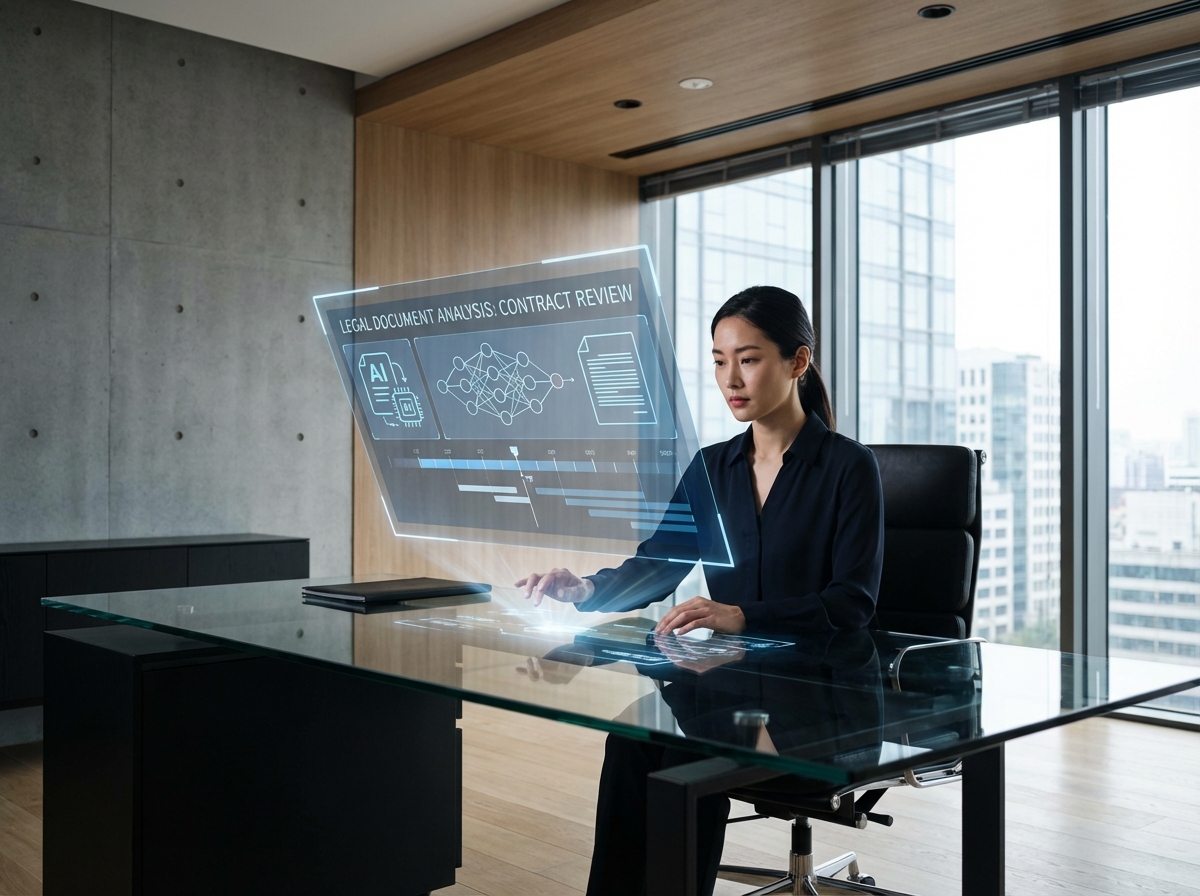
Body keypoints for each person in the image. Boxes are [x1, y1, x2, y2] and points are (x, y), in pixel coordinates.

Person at [516, 285, 885, 896]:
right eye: (718, 360)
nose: (730, 378)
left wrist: (741, 615)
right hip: (735, 683)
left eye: (749, 358)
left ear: (797, 362)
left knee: (682, 757)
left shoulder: (850, 467)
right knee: (635, 742)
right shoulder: (712, 469)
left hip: (825, 698)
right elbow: (658, 563)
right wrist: (583, 588)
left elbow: (852, 603)